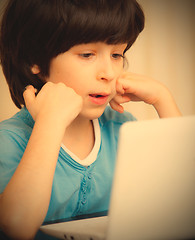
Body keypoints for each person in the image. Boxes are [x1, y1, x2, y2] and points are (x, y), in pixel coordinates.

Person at [0, 0, 181, 239]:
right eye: (87, 54)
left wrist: (163, 100)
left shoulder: (123, 128)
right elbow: (17, 226)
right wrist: (50, 122)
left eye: (117, 54)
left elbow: (182, 198)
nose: (108, 73)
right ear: (36, 61)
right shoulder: (9, 139)